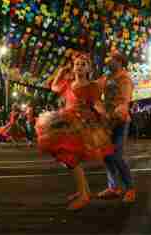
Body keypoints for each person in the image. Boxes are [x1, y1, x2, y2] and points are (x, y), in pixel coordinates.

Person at [35, 52, 113, 210]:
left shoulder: (91, 86)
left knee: (71, 159)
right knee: (68, 159)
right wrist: (60, 72)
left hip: (81, 125)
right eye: (77, 64)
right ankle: (84, 191)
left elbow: (97, 103)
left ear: (88, 69)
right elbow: (54, 87)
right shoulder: (68, 83)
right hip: (65, 122)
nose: (79, 67)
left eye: (83, 65)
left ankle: (84, 194)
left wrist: (104, 114)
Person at [97, 51, 136, 202]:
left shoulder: (124, 78)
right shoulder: (107, 77)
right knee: (106, 156)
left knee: (116, 155)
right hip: (107, 121)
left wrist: (122, 108)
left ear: (119, 62)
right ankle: (113, 187)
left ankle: (130, 188)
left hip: (120, 121)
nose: (108, 61)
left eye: (111, 59)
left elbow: (125, 98)